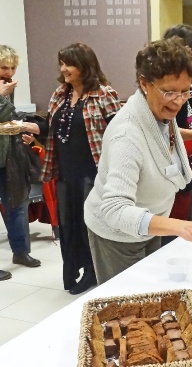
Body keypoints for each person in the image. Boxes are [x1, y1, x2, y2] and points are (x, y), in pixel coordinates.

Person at [83, 39, 192, 285]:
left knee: (151, 291)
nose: (178, 100)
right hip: (118, 234)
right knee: (127, 307)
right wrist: (179, 226)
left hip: (149, 220)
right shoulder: (126, 134)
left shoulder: (157, 109)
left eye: (186, 91)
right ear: (144, 83)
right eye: (170, 92)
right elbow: (114, 209)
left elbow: (160, 136)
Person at [23, 43, 121, 294]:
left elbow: (119, 133)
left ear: (85, 66)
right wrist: (32, 129)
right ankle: (74, 269)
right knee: (69, 225)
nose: (63, 69)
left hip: (94, 173)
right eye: (61, 63)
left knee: (92, 225)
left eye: (69, 64)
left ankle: (93, 271)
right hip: (66, 173)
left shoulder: (104, 94)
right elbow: (52, 130)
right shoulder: (60, 94)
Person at [0, 44, 41, 281]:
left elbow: (11, 117)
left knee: (17, 203)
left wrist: (22, 131)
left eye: (12, 67)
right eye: (4, 67)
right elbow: (5, 114)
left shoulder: (7, 86)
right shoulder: (4, 89)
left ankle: (21, 251)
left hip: (11, 155)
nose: (9, 72)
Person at [161, 24, 192, 244]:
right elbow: (164, 129)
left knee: (184, 228)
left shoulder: (187, 85)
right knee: (172, 230)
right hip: (168, 169)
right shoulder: (164, 87)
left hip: (185, 164)